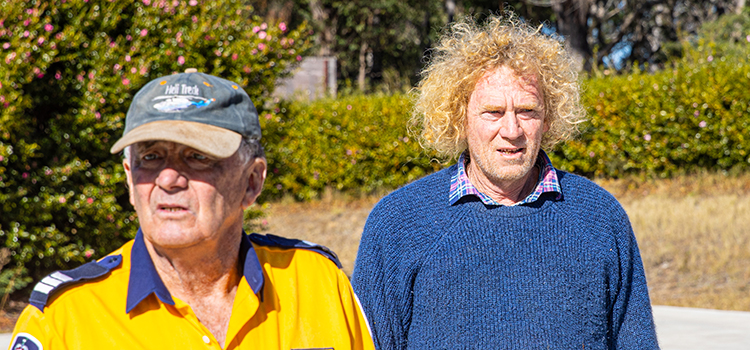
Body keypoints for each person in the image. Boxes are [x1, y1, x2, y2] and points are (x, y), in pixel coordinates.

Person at [351, 15, 659, 350]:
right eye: (493, 112)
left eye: (527, 111)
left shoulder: (598, 217)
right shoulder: (398, 223)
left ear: (549, 118)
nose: (512, 131)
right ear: (459, 117)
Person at [10, 69, 375, 350]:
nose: (168, 179)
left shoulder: (317, 283)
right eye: (150, 157)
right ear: (128, 178)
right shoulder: (65, 317)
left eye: (197, 157)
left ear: (252, 181)